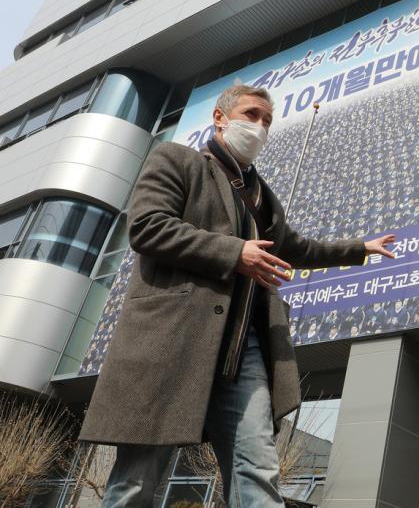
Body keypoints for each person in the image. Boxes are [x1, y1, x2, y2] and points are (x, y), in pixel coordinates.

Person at [79, 84, 396, 507]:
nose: (260, 126)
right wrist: (235, 252)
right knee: (137, 479)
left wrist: (358, 248)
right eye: (251, 114)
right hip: (173, 339)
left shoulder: (262, 197)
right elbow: (148, 227)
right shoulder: (177, 160)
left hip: (242, 350)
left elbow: (296, 249)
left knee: (258, 466)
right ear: (219, 118)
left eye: (267, 120)